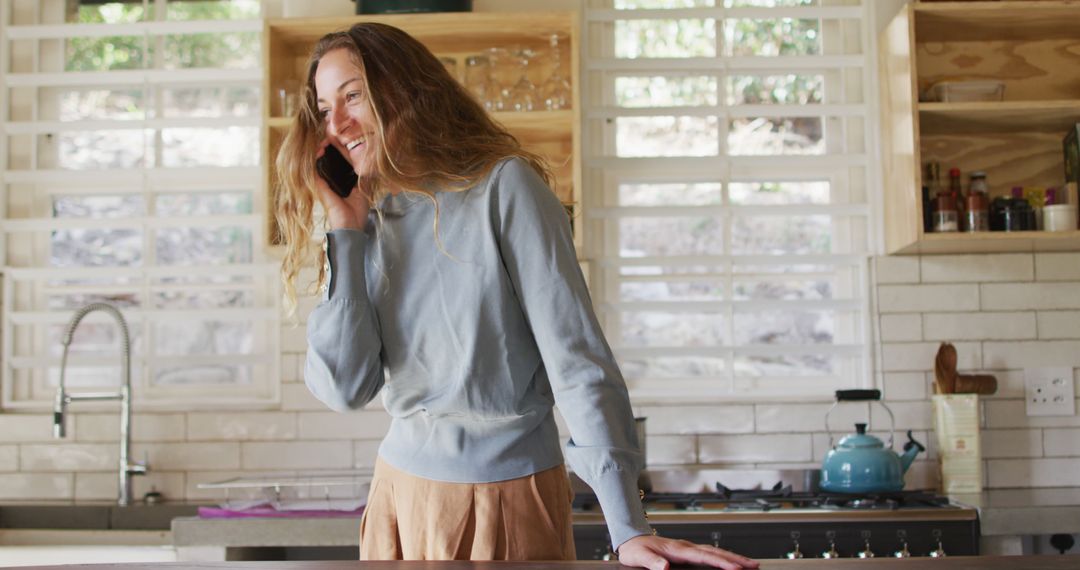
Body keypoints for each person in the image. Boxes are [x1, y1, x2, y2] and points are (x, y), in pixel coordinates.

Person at [275, 22, 758, 570]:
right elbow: (343, 387)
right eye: (323, 107)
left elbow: (577, 360)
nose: (336, 123)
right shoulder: (369, 218)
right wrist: (343, 230)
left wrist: (628, 528)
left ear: (401, 91)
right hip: (399, 499)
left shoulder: (504, 188)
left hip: (511, 496)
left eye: (352, 95)